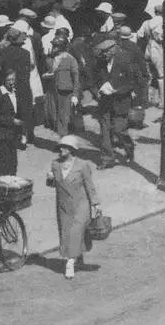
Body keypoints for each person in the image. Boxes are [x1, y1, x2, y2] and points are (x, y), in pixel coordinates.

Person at [48, 135, 101, 280]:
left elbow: (90, 186)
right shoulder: (55, 164)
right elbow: (54, 185)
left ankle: (70, 263)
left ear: (72, 150)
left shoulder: (83, 165)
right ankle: (80, 258)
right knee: (67, 233)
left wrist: (95, 203)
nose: (61, 150)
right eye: (59, 147)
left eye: (64, 147)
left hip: (81, 205)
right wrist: (50, 179)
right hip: (63, 206)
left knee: (75, 232)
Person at [92, 31, 137, 168]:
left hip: (120, 101)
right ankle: (107, 159)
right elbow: (94, 80)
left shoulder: (125, 60)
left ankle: (129, 149)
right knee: (105, 131)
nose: (103, 54)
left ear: (113, 48)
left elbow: (132, 82)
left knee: (119, 129)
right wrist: (97, 92)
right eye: (102, 52)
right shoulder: (100, 62)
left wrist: (116, 90)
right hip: (104, 101)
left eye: (106, 52)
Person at [0, 70, 22, 176]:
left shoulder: (15, 92)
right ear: (4, 81)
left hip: (12, 134)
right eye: (8, 80)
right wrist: (12, 120)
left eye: (13, 79)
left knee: (12, 162)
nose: (11, 82)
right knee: (2, 163)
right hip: (1, 134)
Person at [49, 29, 81, 136]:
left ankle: (64, 140)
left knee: (64, 116)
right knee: (55, 115)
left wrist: (75, 95)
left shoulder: (71, 59)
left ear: (61, 47)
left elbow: (76, 77)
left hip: (66, 91)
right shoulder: (53, 58)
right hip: (55, 90)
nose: (53, 48)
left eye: (55, 46)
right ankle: (62, 138)